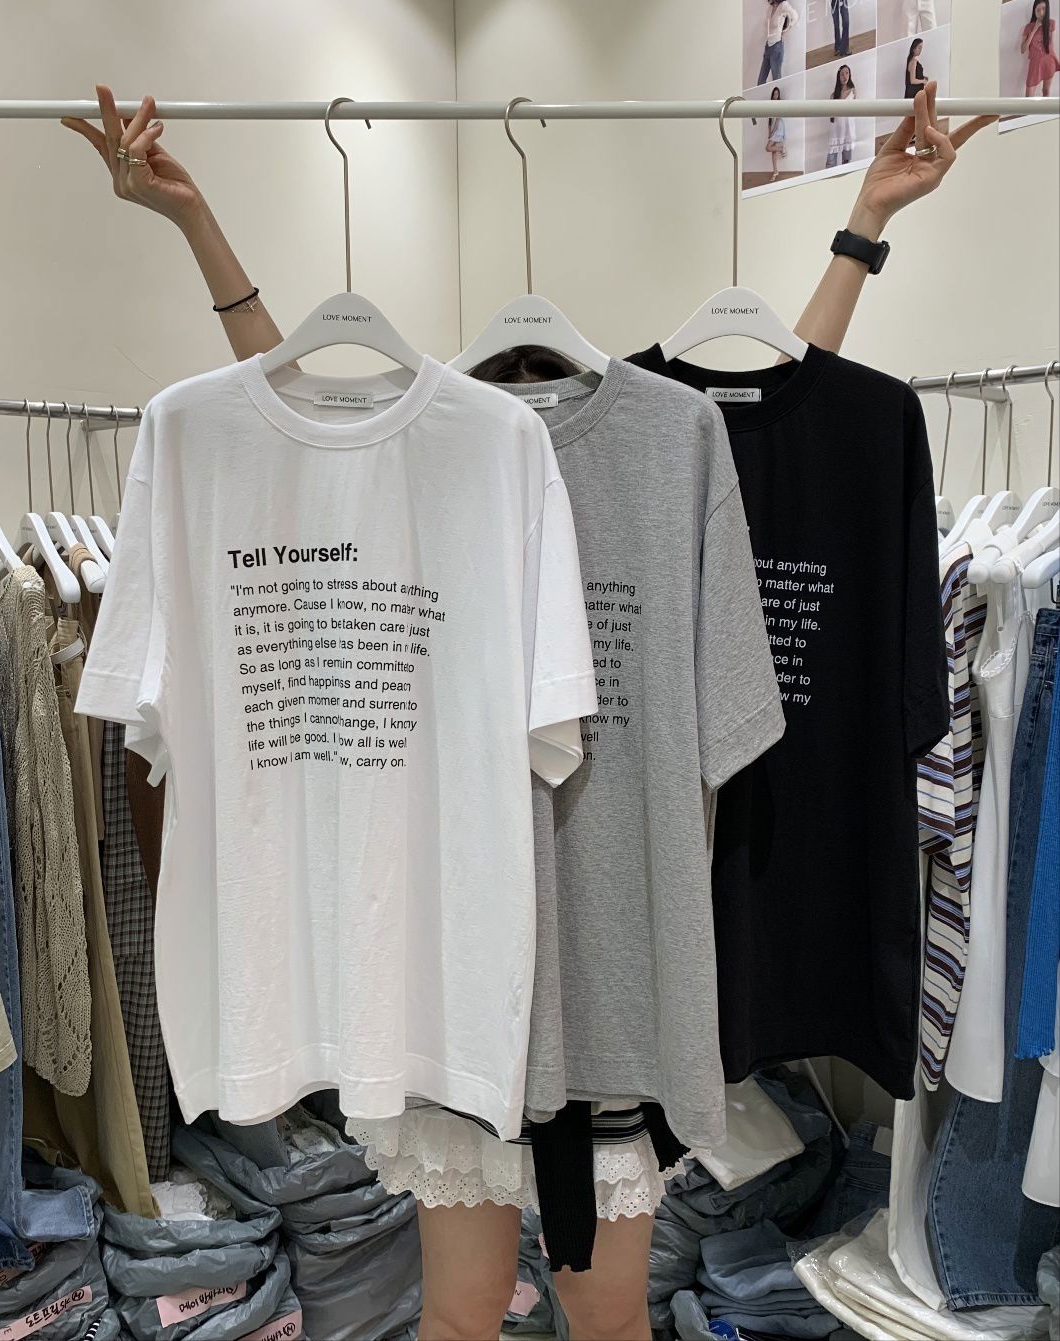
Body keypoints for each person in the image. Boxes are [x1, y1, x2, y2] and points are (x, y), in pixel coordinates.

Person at [63, 82, 991, 1341]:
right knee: (474, 1314)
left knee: (584, 1317)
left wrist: (860, 232)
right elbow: (290, 458)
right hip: (449, 978)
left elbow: (784, 425)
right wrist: (200, 233)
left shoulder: (666, 441)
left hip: (606, 987)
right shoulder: (438, 449)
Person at [1022, 0, 1060, 96]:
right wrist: (1035, 28)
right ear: (1034, 11)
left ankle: (1046, 108)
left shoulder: (1051, 23)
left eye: (1044, 9)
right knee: (1028, 96)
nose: (1041, 13)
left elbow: (1051, 45)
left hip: (1049, 61)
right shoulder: (1028, 27)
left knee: (1046, 91)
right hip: (1035, 63)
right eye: (1038, 10)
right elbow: (1023, 49)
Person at [758, 0, 799, 84]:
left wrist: (786, 30)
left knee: (776, 81)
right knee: (760, 82)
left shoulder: (783, 5)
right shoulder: (770, 7)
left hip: (776, 46)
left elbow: (795, 16)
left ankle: (780, 93)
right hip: (768, 46)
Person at [827, 63, 857, 167]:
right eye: (842, 74)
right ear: (838, 77)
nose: (845, 76)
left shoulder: (852, 92)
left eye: (847, 73)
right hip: (836, 131)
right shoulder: (833, 95)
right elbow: (831, 114)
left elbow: (854, 110)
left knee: (846, 163)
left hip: (848, 130)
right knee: (830, 163)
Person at [766, 86, 788, 181]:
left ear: (778, 95)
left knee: (768, 147)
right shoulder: (770, 106)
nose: (776, 95)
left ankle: (782, 149)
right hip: (774, 128)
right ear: (772, 95)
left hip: (778, 128)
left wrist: (772, 132)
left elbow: (777, 120)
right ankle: (775, 172)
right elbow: (769, 121)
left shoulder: (779, 105)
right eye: (774, 94)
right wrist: (769, 132)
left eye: (777, 94)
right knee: (772, 151)